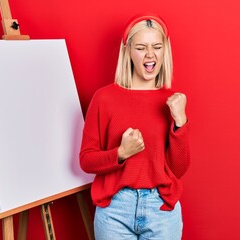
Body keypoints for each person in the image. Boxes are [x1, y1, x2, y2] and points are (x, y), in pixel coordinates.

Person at [79, 13, 190, 240]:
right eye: (141, 47)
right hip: (115, 210)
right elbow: (86, 160)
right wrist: (120, 154)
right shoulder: (104, 99)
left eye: (157, 47)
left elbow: (178, 169)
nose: (150, 54)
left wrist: (181, 122)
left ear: (164, 50)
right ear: (128, 51)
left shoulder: (172, 101)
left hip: (161, 210)